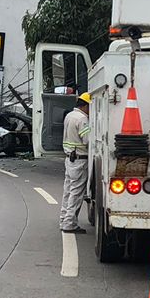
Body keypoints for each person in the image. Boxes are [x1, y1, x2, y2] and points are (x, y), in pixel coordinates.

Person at [60, 93, 91, 235]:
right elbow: (87, 140)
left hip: (70, 158)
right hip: (80, 159)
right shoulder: (82, 119)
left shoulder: (70, 115)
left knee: (68, 191)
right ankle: (69, 224)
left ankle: (63, 219)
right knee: (76, 193)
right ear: (85, 105)